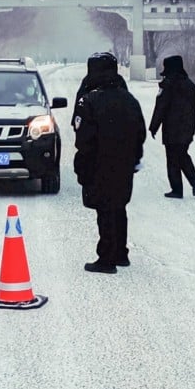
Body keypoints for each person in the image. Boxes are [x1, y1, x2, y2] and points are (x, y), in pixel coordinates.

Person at [73, 52, 147, 274]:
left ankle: (106, 259)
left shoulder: (89, 100)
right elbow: (140, 132)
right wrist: (132, 156)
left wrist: (82, 165)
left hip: (98, 163)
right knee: (119, 207)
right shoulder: (129, 99)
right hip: (124, 163)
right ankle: (121, 253)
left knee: (104, 209)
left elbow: (83, 137)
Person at [149, 55, 195, 199]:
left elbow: (161, 107)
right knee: (182, 155)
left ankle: (177, 190)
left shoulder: (168, 85)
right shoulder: (190, 85)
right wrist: (191, 128)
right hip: (187, 128)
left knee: (173, 159)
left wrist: (154, 126)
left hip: (172, 129)